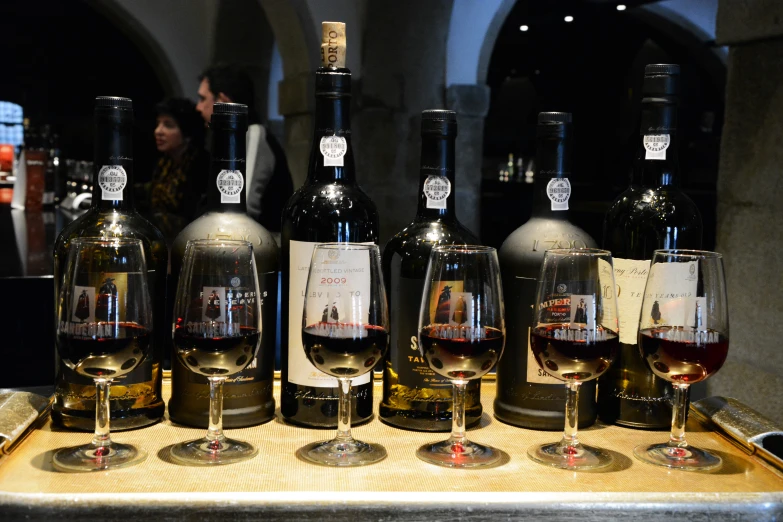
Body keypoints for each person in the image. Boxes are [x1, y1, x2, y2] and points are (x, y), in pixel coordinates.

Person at [196, 63, 293, 233]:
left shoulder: (254, 134)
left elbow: (243, 206)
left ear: (223, 101)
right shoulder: (227, 141)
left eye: (203, 99)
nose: (198, 107)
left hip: (259, 249)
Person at [147, 98, 208, 242]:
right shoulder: (164, 162)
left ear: (187, 133)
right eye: (158, 124)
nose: (158, 131)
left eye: (168, 125)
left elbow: (193, 219)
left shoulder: (202, 165)